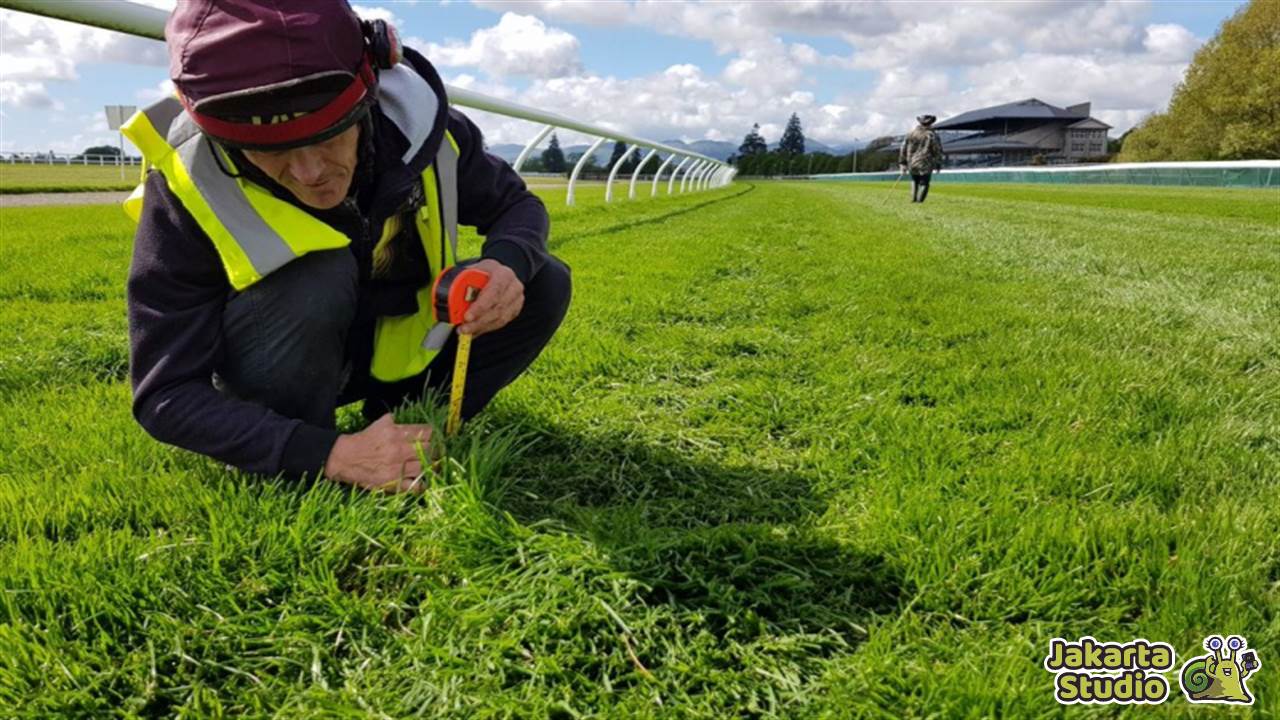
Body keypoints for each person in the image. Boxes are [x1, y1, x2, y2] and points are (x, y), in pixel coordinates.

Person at [122, 0, 571, 493]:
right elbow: (164, 394)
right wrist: (328, 454)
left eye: (331, 135)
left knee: (543, 277)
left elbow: (517, 207)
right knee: (317, 272)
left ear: (369, 94)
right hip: (279, 369)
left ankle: (410, 427)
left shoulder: (425, 125)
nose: (311, 172)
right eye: (269, 150)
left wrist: (505, 264)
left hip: (395, 357)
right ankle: (304, 456)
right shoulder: (185, 185)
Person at [898, 114, 944, 203]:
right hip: (925, 162)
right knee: (924, 182)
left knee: (914, 179)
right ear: (930, 123)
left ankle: (913, 199)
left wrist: (902, 162)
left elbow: (903, 148)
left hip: (911, 161)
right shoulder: (932, 135)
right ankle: (919, 201)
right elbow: (937, 150)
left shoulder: (910, 134)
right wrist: (938, 163)